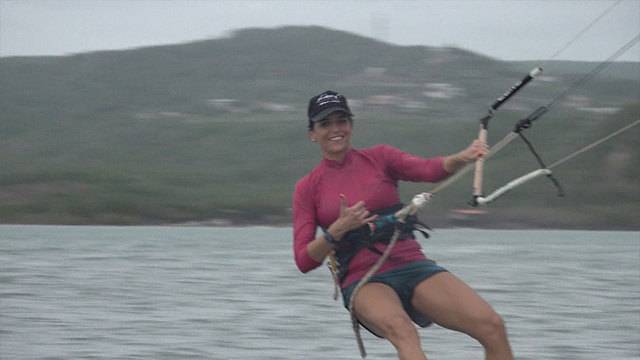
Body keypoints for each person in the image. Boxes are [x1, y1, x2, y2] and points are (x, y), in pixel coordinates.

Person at [292, 90, 514, 360]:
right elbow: (304, 260)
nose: (335, 129)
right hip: (363, 280)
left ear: (350, 125)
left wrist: (462, 157)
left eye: (341, 121)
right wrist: (338, 229)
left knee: (492, 326)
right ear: (312, 134)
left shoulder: (381, 158)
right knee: (404, 331)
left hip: (411, 265)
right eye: (325, 124)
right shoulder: (307, 188)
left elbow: (428, 169)